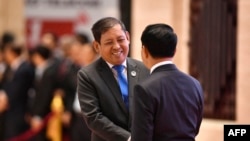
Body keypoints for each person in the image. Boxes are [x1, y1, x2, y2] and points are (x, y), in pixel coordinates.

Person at [77, 17, 149, 141]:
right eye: (109, 42)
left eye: (120, 40)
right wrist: (129, 138)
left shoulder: (144, 68)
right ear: (97, 46)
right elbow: (93, 117)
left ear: (128, 37)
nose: (116, 47)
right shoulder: (87, 75)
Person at [130, 23, 204, 141]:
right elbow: (195, 129)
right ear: (175, 50)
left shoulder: (144, 88)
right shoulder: (195, 84)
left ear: (144, 51)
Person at [0, 42, 35, 140]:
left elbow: (17, 91)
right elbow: (5, 86)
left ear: (12, 53)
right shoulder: (9, 68)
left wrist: (4, 101)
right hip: (8, 112)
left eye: (6, 53)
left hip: (18, 111)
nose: (5, 56)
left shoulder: (25, 68)